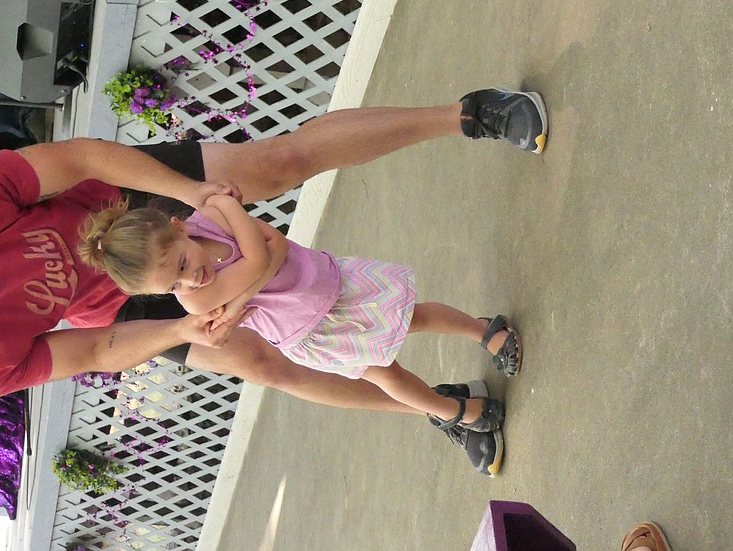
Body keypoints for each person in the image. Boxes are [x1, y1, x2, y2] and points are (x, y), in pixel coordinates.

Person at [0, 86, 548, 477]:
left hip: (126, 211)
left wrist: (193, 194)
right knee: (271, 366)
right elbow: (99, 350)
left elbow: (81, 157)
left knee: (276, 165)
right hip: (127, 298)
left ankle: (466, 113)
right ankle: (438, 408)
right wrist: (180, 328)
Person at [76, 193, 521, 475]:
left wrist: (245, 286)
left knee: (414, 316)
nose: (190, 281)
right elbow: (260, 255)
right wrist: (235, 213)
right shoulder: (198, 291)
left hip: (332, 284)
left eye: (181, 265)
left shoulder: (208, 220)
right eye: (172, 286)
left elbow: (277, 245)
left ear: (178, 227)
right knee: (384, 374)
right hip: (313, 332)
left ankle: (486, 331)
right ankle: (455, 410)